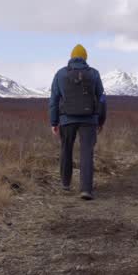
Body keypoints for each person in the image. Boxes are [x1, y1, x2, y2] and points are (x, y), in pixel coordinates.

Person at [49, 44, 106, 200]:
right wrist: (101, 120)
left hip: (66, 119)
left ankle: (66, 184)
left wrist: (54, 122)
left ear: (71, 56)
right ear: (85, 57)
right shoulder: (94, 73)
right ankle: (86, 189)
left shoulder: (60, 74)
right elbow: (101, 99)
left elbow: (54, 99)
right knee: (87, 153)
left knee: (66, 149)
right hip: (89, 120)